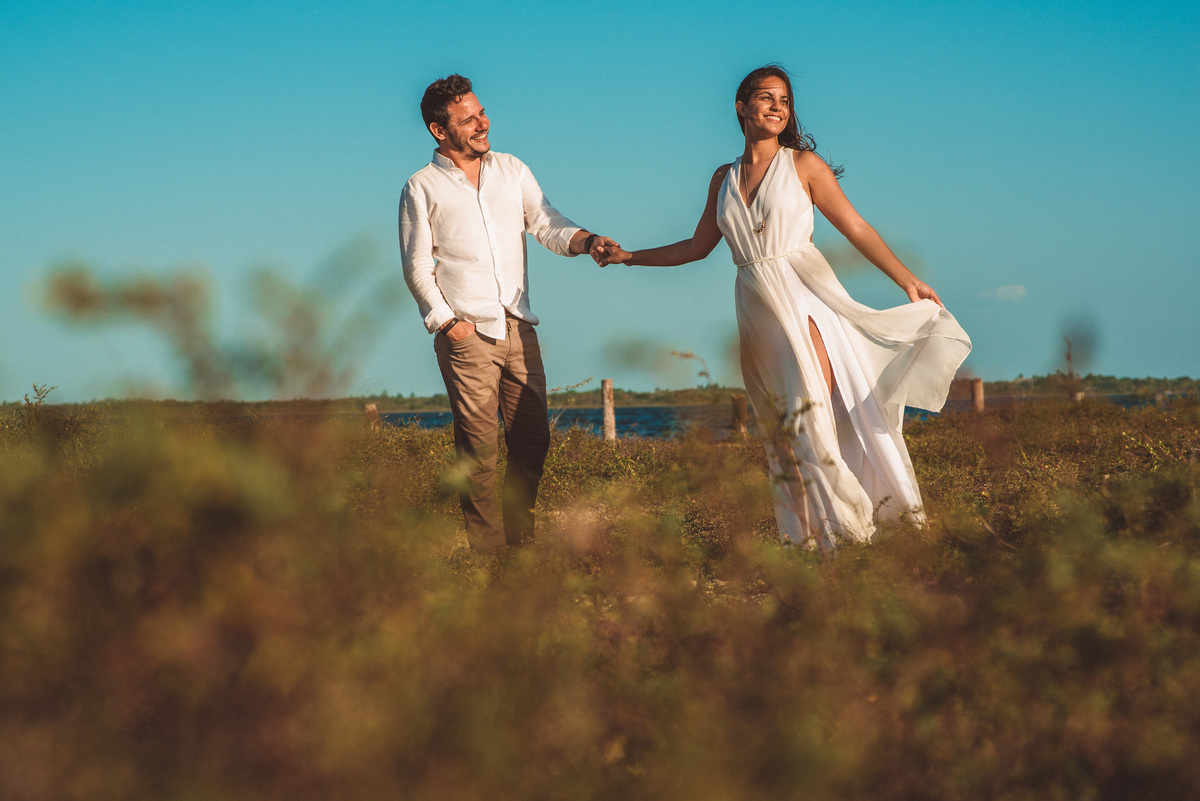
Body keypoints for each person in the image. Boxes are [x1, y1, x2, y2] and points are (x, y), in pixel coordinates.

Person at [598, 65, 971, 551]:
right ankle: (809, 538)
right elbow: (695, 247)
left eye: (785, 100)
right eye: (766, 97)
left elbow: (856, 227)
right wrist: (629, 257)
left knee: (814, 415)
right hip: (756, 308)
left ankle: (854, 535)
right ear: (741, 107)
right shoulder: (722, 178)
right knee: (783, 427)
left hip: (807, 297)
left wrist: (908, 280)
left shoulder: (803, 165)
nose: (778, 107)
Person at [399, 74, 618, 551]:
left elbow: (547, 223)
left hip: (519, 326)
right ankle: (488, 557)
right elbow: (416, 266)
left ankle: (521, 547)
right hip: (467, 333)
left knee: (532, 441)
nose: (482, 123)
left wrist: (588, 242)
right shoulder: (421, 187)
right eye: (468, 119)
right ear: (439, 130)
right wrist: (448, 323)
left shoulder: (512, 169)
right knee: (478, 453)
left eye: (481, 113)